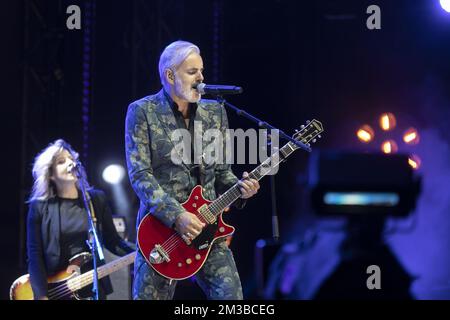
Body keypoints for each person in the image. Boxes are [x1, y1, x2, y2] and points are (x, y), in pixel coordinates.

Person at [125, 40, 260, 300]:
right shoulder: (142, 111)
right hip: (160, 231)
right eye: (192, 72)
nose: (201, 78)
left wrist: (242, 189)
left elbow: (222, 172)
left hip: (208, 227)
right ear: (170, 75)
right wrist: (177, 216)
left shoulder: (215, 112)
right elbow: (140, 175)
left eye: (201, 71)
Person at [27, 139, 135, 300]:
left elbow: (113, 242)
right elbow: (35, 255)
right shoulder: (40, 207)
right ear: (50, 174)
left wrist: (140, 252)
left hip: (92, 286)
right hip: (56, 289)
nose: (70, 163)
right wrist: (41, 295)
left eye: (72, 159)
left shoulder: (96, 200)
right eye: (61, 162)